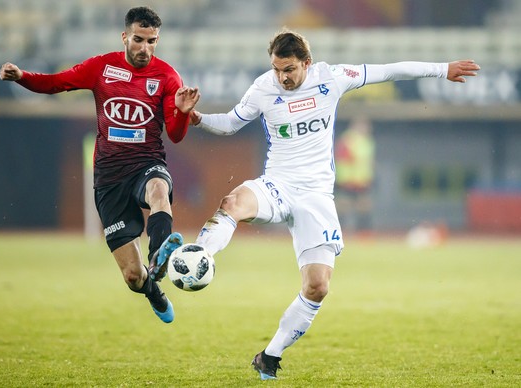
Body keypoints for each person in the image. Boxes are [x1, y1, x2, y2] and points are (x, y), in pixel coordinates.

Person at [187, 29, 480, 379]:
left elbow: (388, 70)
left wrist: (441, 68)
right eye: (277, 69)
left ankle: (270, 355)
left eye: (290, 70)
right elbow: (232, 123)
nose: (283, 77)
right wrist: (199, 118)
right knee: (232, 202)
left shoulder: (333, 78)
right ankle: (199, 256)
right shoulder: (264, 88)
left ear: (307, 63)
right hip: (277, 183)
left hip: (316, 195)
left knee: (317, 286)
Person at [0, 6, 200, 324]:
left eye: (152, 41)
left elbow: (174, 135)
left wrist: (183, 112)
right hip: (108, 179)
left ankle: (160, 254)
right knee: (133, 277)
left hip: (147, 162)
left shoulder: (167, 77)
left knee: (159, 189)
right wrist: (22, 77)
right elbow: (56, 83)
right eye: (139, 40)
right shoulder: (102, 67)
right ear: (125, 37)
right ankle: (153, 289)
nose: (145, 48)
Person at [334, 116, 375, 235]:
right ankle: (337, 231)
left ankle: (363, 233)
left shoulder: (367, 141)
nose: (366, 129)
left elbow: (367, 160)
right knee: (343, 206)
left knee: (364, 206)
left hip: (362, 180)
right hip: (347, 180)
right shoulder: (347, 139)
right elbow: (342, 158)